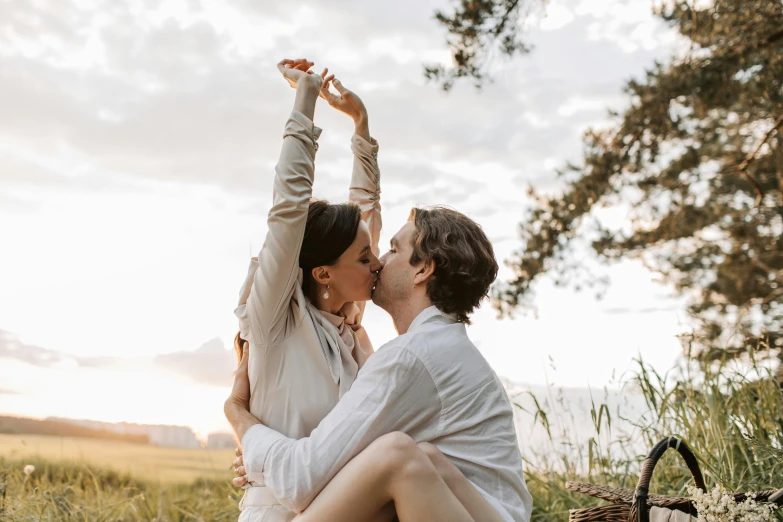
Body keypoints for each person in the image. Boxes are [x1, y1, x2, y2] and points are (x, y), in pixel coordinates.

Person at [226, 196, 534, 520]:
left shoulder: (412, 358)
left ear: (423, 270)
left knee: (397, 456)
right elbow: (339, 466)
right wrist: (264, 461)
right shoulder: (442, 347)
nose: (379, 261)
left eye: (393, 249)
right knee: (418, 455)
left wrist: (241, 421)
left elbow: (300, 480)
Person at [232, 58, 382, 522]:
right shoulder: (278, 322)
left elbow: (364, 218)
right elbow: (288, 212)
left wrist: (361, 127)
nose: (379, 263)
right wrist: (306, 99)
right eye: (364, 259)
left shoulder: (351, 336)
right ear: (322, 273)